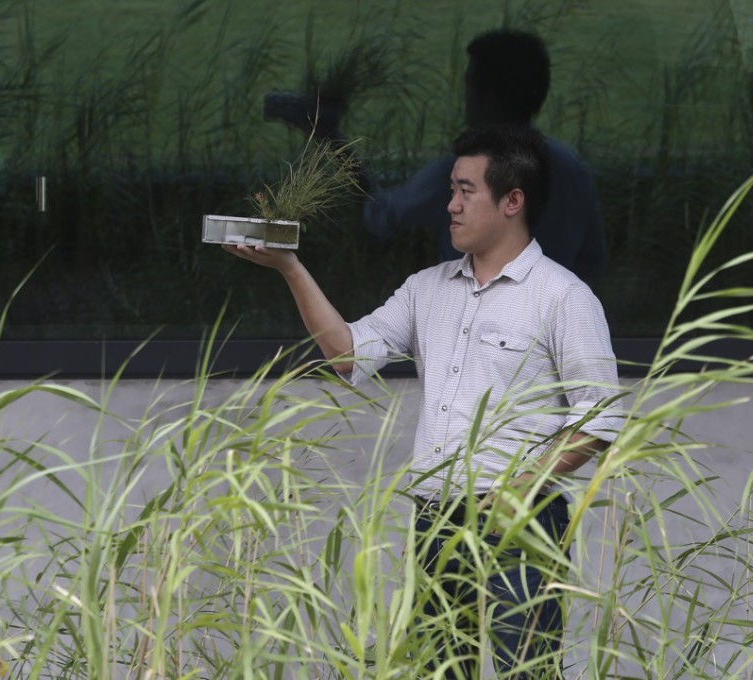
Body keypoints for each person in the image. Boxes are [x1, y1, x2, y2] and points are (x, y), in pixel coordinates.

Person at [224, 125, 622, 677]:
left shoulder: (564, 297)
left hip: (522, 523)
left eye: (465, 191)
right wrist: (291, 267)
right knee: (438, 670)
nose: (450, 206)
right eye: (451, 191)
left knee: (524, 672)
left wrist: (516, 494)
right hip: (435, 518)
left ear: (513, 201)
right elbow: (348, 358)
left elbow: (601, 414)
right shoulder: (426, 288)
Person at [267, 29, 607, 283]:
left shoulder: (462, 172)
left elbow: (381, 217)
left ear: (487, 95)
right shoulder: (573, 171)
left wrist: (331, 138)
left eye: (469, 84)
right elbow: (593, 262)